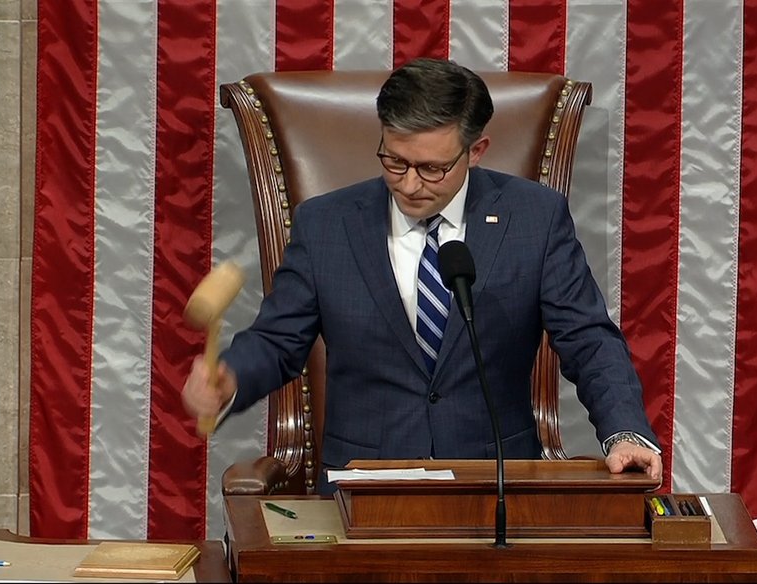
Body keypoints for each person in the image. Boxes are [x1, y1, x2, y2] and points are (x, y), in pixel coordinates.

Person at [182, 57, 662, 493]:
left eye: (432, 168)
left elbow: (588, 338)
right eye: (394, 161)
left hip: (494, 485)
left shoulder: (533, 218)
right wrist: (230, 378)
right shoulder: (327, 224)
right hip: (364, 488)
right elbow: (277, 339)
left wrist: (625, 432)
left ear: (476, 151)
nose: (410, 184)